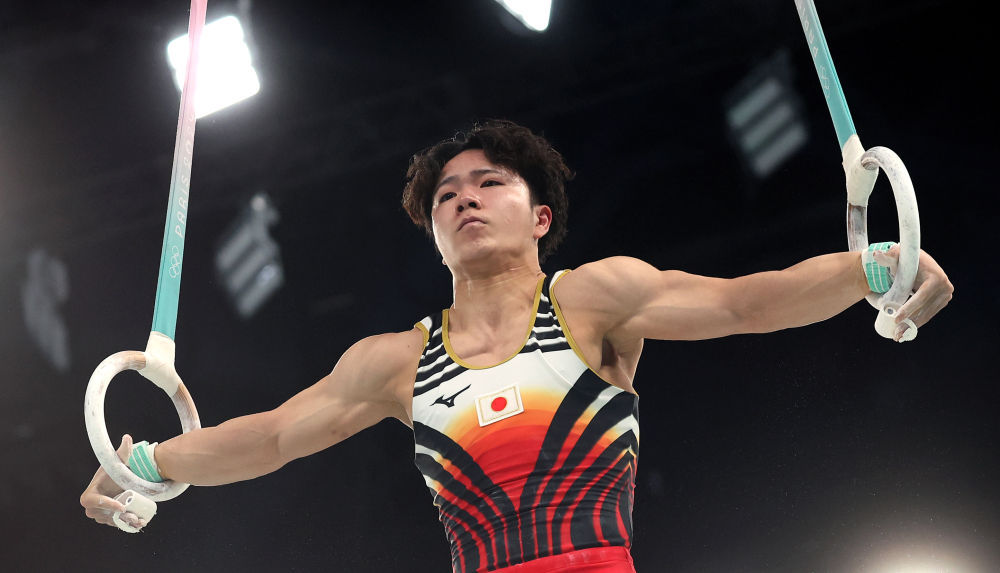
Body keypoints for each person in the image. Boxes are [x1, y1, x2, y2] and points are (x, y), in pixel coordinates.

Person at [80, 120, 953, 572]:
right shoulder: (394, 363)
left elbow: (742, 303)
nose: (463, 198)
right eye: (446, 196)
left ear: (539, 217)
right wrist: (146, 462)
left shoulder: (591, 300)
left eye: (488, 182)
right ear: (434, 235)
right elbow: (271, 436)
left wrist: (875, 265)